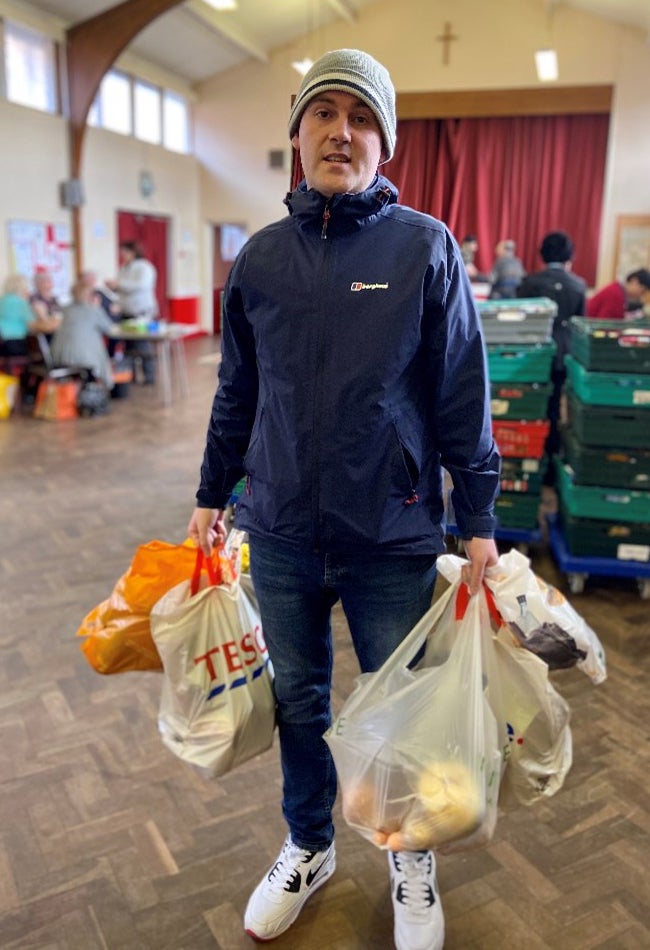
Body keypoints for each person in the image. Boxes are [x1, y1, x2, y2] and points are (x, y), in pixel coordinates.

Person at [187, 48, 500, 950]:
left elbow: (460, 397)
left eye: (361, 117)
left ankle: (409, 856)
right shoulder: (260, 258)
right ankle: (309, 842)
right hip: (279, 528)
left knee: (402, 708)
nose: (340, 131)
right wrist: (213, 492)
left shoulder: (424, 248)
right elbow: (237, 393)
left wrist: (477, 518)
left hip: (390, 531)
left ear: (384, 143)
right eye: (322, 113)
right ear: (295, 136)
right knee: (301, 703)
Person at [516, 231, 586, 478]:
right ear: (569, 255)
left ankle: (525, 458)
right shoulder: (578, 285)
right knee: (555, 408)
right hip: (563, 353)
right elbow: (580, 325)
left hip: (533, 354)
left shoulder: (530, 282)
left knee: (528, 408)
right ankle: (549, 469)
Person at [105, 241, 158, 384]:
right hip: (125, 311)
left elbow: (141, 286)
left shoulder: (144, 267)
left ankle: (149, 376)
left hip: (141, 311)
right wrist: (113, 288)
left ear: (133, 252)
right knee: (128, 347)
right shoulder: (123, 268)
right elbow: (122, 291)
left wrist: (119, 284)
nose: (123, 255)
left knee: (143, 346)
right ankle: (131, 376)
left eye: (125, 252)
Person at [49, 279, 115, 389]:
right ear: (90, 295)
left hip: (59, 356)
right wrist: (97, 307)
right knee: (101, 354)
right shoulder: (94, 310)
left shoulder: (64, 309)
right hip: (85, 359)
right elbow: (108, 328)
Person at [0, 273, 60, 356]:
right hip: (14, 344)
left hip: (3, 343)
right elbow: (34, 326)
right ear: (22, 288)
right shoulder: (21, 303)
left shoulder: (2, 300)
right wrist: (43, 316)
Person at [585, 267, 650, 319]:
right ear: (634, 281)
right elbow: (605, 324)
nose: (640, 295)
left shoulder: (618, 289)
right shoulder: (616, 294)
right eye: (642, 291)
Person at [30, 269, 64, 333]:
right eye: (48, 281)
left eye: (50, 281)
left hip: (55, 329)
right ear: (38, 284)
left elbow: (59, 313)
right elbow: (43, 318)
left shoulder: (53, 298)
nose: (51, 283)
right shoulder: (35, 298)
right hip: (43, 331)